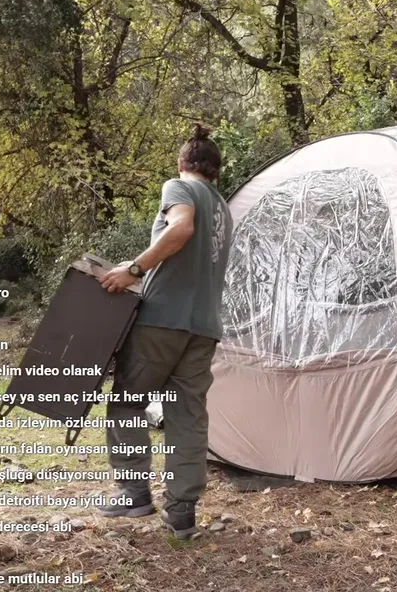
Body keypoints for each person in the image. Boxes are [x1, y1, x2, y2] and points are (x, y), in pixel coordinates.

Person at [93, 123, 234, 540]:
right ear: (217, 170)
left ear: (181, 163)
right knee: (187, 417)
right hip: (203, 328)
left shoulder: (179, 187)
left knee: (127, 402)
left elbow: (181, 228)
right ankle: (181, 513)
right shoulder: (224, 209)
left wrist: (134, 269)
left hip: (161, 322)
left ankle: (134, 493)